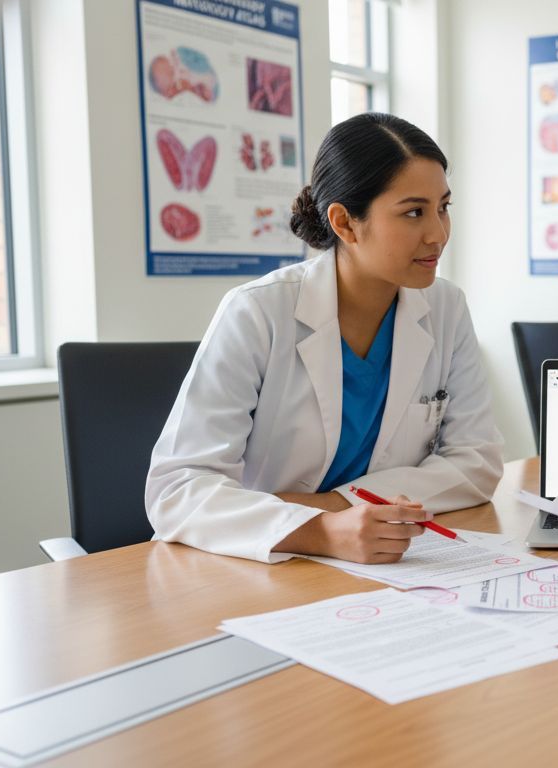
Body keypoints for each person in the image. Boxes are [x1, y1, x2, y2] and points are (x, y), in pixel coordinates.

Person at [147, 113, 503, 565]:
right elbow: (178, 489)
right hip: (259, 562)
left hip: (383, 559)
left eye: (443, 207)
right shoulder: (258, 312)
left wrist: (336, 506)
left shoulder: (446, 307)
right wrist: (321, 530)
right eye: (414, 212)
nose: (439, 234)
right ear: (345, 223)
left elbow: (477, 460)